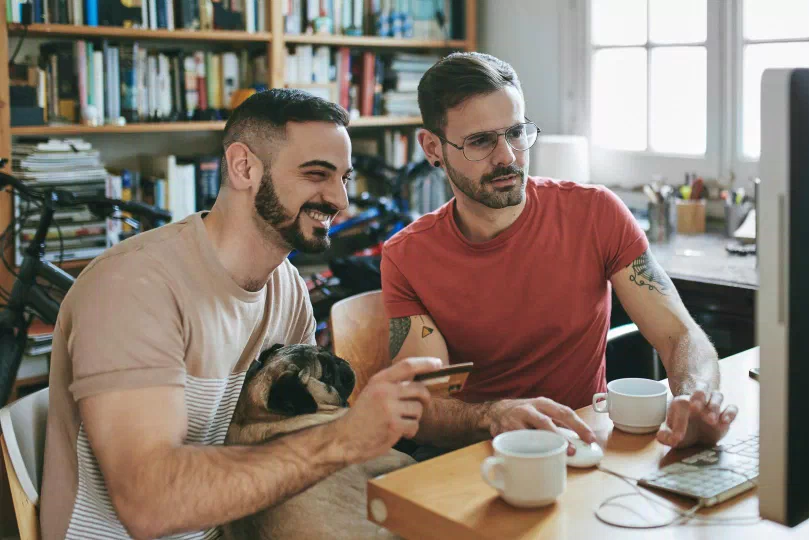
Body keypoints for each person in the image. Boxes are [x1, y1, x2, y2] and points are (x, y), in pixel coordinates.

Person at [39, 89, 441, 540]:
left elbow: (288, 440)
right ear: (244, 167)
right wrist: (346, 438)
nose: (340, 200)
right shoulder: (135, 287)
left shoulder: (286, 288)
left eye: (344, 178)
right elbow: (147, 504)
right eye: (316, 175)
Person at [382, 52, 738, 455]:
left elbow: (680, 335)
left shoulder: (595, 213)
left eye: (516, 133)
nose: (507, 157)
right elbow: (425, 411)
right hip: (481, 457)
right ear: (432, 147)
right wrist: (492, 416)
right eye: (480, 141)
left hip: (585, 448)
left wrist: (695, 396)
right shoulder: (408, 256)